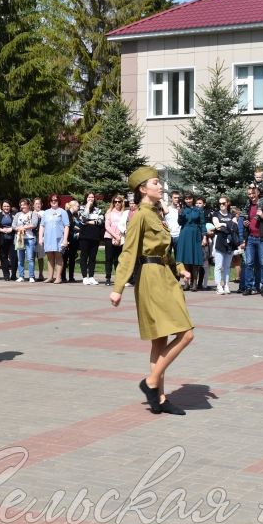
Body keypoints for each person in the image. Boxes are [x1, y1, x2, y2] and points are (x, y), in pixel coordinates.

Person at [109, 167, 193, 416]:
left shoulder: (157, 215)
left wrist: (179, 267)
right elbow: (129, 252)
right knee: (186, 334)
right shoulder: (140, 216)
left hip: (165, 276)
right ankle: (150, 382)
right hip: (150, 278)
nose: (160, 186)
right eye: (156, 183)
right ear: (143, 189)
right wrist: (118, 288)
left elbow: (165, 250)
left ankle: (160, 398)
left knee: (160, 340)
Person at [240, 180, 263, 297]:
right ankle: (249, 287)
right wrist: (246, 223)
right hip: (250, 237)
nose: (251, 196)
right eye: (249, 194)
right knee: (249, 263)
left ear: (258, 193)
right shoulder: (248, 206)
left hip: (262, 238)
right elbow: (247, 220)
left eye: (253, 194)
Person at [176, 192, 205, 291]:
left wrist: (204, 237)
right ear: (184, 200)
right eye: (186, 199)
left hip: (195, 234)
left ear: (193, 199)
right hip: (185, 234)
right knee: (186, 260)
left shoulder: (199, 210)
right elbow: (180, 223)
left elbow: (202, 224)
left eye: (190, 198)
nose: (188, 200)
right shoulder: (183, 210)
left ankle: (194, 283)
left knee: (195, 260)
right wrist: (180, 214)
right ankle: (186, 283)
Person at [210, 196, 240, 295]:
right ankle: (218, 286)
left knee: (227, 266)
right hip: (220, 241)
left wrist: (223, 225)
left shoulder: (232, 215)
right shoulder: (216, 214)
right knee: (218, 266)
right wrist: (226, 225)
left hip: (230, 241)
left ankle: (226, 284)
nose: (221, 205)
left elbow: (235, 227)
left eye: (223, 203)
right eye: (220, 203)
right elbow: (216, 226)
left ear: (227, 203)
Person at [38, 194, 69, 283]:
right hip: (48, 238)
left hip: (59, 238)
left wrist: (65, 239)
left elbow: (66, 226)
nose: (53, 201)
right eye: (52, 200)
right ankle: (50, 277)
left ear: (58, 201)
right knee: (49, 257)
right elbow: (42, 226)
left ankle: (58, 277)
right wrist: (40, 238)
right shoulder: (46, 212)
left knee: (58, 256)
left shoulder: (62, 212)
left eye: (55, 200)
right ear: (49, 202)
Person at [78, 193, 105, 285]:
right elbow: (82, 219)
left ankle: (92, 276)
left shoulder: (98, 210)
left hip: (95, 236)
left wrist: (88, 222)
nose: (91, 198)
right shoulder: (81, 208)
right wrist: (87, 207)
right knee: (84, 256)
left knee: (93, 257)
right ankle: (85, 277)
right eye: (89, 197)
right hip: (84, 236)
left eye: (92, 197)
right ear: (86, 198)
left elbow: (100, 221)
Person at [103, 194, 127, 286]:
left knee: (119, 259)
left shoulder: (124, 213)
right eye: (115, 202)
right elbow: (107, 226)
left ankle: (119, 278)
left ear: (122, 203)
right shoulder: (109, 213)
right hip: (109, 237)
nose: (117, 203)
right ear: (113, 203)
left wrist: (119, 237)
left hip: (121, 238)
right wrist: (115, 236)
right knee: (109, 258)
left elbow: (124, 226)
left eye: (119, 201)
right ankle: (108, 278)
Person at [12, 198, 38, 282]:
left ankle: (31, 276)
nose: (22, 206)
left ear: (28, 205)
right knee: (20, 258)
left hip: (30, 238)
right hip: (20, 238)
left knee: (30, 258)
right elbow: (13, 226)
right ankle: (21, 276)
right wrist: (19, 229)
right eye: (21, 205)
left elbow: (34, 224)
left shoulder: (33, 214)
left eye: (24, 204)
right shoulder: (17, 214)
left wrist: (24, 227)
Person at [0, 200, 16, 281]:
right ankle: (6, 275)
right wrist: (1, 230)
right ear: (2, 207)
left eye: (7, 206)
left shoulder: (14, 215)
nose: (6, 208)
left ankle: (14, 274)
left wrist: (11, 229)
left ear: (10, 207)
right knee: (3, 256)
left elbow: (18, 224)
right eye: (4, 206)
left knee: (14, 257)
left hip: (12, 239)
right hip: (2, 238)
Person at [63, 200, 81, 283]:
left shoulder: (76, 215)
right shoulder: (66, 213)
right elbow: (70, 225)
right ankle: (63, 277)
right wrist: (81, 229)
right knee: (65, 258)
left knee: (72, 259)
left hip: (74, 240)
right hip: (67, 239)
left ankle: (71, 277)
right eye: (77, 206)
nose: (78, 207)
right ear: (73, 206)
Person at [31, 197, 46, 280]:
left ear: (42, 204)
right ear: (33, 205)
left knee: (40, 257)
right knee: (31, 257)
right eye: (36, 204)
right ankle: (32, 274)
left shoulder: (44, 213)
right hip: (31, 236)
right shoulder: (30, 213)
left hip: (40, 237)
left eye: (39, 203)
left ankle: (41, 274)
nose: (38, 205)